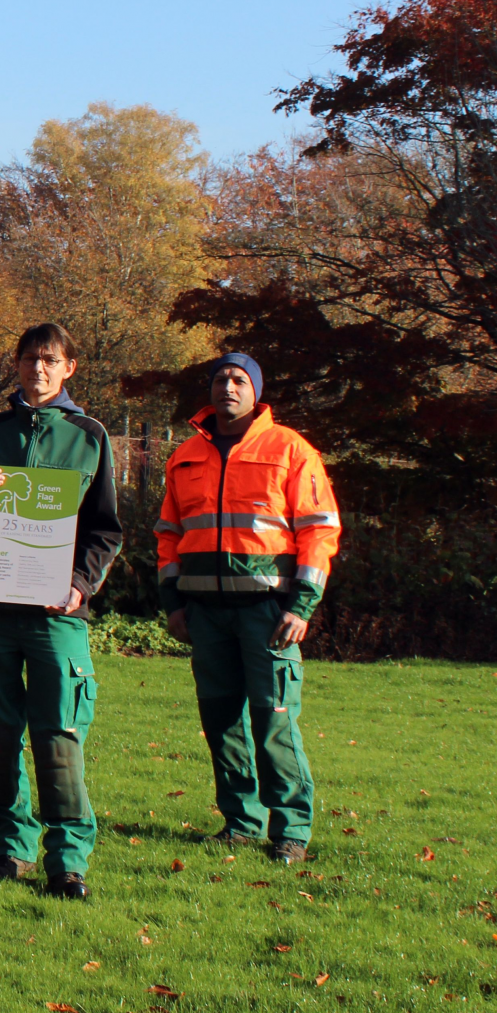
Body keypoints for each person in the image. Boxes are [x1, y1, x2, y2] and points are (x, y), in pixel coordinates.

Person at [0, 323, 121, 899]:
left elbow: (105, 531)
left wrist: (79, 585)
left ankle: (68, 860)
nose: (38, 370)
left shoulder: (89, 435)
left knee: (59, 735)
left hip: (57, 614)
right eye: (29, 359)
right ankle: (12, 846)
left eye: (50, 360)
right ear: (17, 363)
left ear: (69, 367)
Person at [156, 353, 340, 866]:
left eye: (239, 380)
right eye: (220, 379)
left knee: (273, 719)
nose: (228, 387)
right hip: (205, 615)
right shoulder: (184, 455)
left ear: (255, 392)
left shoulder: (291, 450)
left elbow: (319, 531)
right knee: (221, 721)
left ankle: (291, 832)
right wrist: (172, 604)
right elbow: (168, 536)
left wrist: (301, 605)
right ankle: (240, 822)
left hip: (268, 612)